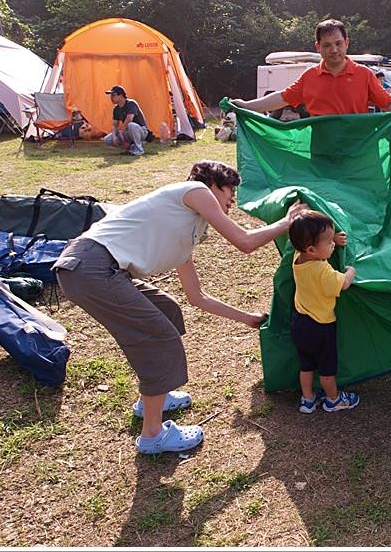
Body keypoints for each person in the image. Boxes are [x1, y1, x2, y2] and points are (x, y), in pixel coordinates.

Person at [52, 160, 308, 454]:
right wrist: (287, 222)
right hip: (91, 267)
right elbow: (244, 242)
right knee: (159, 338)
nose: (232, 199)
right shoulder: (195, 189)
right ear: (213, 184)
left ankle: (154, 397)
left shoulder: (186, 232)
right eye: (229, 190)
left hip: (98, 271)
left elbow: (196, 297)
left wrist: (247, 318)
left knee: (166, 311)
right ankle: (153, 435)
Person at [231, 19, 391, 122]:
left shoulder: (364, 75)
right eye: (327, 45)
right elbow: (281, 98)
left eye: (338, 43)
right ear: (318, 47)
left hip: (358, 154)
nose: (333, 50)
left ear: (346, 43)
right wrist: (247, 106)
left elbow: (389, 103)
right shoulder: (309, 77)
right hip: (321, 157)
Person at [288, 210, 359, 413]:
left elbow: (312, 245)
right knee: (327, 369)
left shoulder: (298, 258)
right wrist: (351, 271)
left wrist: (331, 238)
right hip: (321, 326)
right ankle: (333, 399)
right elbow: (344, 283)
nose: (333, 244)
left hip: (300, 323)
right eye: (329, 242)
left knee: (306, 365)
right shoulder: (323, 271)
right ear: (312, 248)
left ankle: (308, 399)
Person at [103, 85, 149, 157]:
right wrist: (114, 136)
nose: (111, 98)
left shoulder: (131, 103)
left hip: (141, 131)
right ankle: (131, 148)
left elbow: (129, 118)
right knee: (107, 139)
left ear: (121, 96)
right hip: (127, 131)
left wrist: (122, 131)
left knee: (131, 125)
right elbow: (115, 124)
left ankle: (139, 149)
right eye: (111, 95)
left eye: (113, 95)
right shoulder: (116, 109)